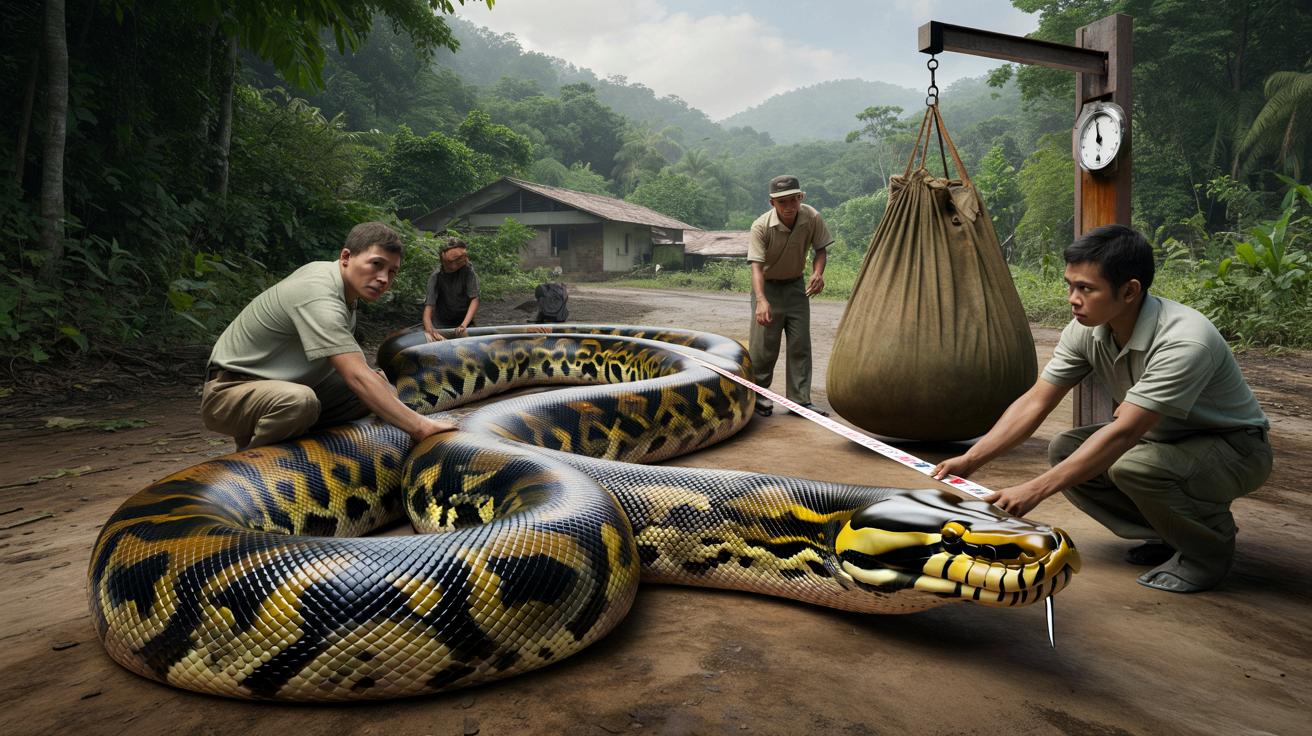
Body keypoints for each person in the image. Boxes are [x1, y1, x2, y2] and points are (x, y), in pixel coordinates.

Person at [932, 224, 1272, 593]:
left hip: (1235, 449)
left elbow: (1124, 433)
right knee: (1066, 449)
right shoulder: (1087, 328)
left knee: (1134, 466)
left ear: (1129, 291)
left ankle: (1207, 551)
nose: (1072, 299)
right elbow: (1037, 400)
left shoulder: (1186, 340)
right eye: (1070, 285)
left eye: (1086, 289)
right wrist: (971, 459)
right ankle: (1172, 533)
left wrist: (1035, 489)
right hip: (1163, 440)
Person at [201, 222, 457, 450]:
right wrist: (420, 427)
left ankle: (309, 451)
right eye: (376, 264)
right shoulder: (318, 293)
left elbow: (362, 376)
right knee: (299, 402)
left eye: (392, 272)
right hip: (230, 391)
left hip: (283, 384)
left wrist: (398, 405)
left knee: (377, 384)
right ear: (346, 257)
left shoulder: (344, 291)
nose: (383, 279)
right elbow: (355, 374)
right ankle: (247, 471)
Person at [747, 175, 833, 417]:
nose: (789, 207)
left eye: (793, 200)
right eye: (782, 202)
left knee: (800, 344)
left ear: (800, 197)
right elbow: (756, 266)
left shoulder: (812, 217)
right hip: (768, 288)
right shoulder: (761, 226)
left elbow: (821, 249)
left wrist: (818, 273)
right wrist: (761, 300)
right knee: (764, 346)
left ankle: (800, 401)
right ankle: (759, 396)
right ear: (772, 203)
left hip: (796, 287)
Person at [422, 237, 480, 342]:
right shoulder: (436, 276)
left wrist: (464, 325)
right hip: (441, 324)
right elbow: (429, 306)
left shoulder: (468, 271)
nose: (464, 260)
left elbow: (474, 299)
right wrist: (430, 329)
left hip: (465, 322)